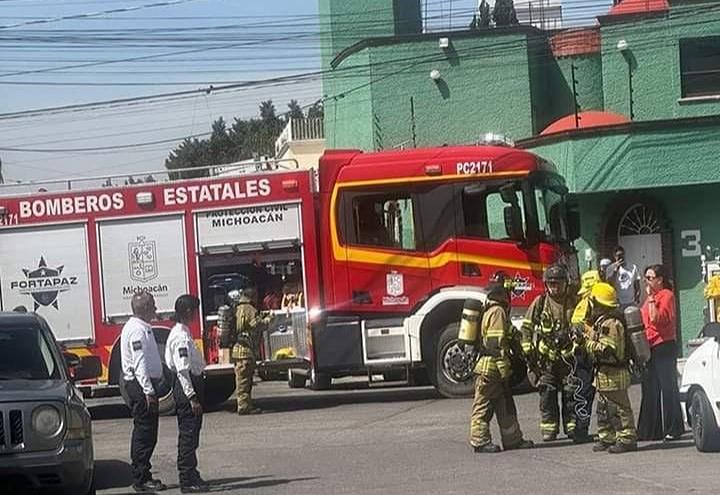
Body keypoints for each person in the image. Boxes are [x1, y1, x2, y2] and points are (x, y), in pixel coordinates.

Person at [468, 277, 535, 453]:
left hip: (494, 368)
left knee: (505, 405)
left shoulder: (493, 310)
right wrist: (504, 369)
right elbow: (495, 344)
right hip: (490, 368)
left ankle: (513, 439)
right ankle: (479, 441)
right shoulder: (497, 311)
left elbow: (510, 334)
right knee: (483, 405)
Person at [521, 264, 577, 441]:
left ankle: (572, 427)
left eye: (558, 283)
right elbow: (526, 328)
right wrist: (528, 351)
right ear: (546, 285)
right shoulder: (540, 303)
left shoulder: (573, 302)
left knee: (570, 394)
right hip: (546, 360)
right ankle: (549, 429)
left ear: (566, 283)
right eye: (551, 283)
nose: (555, 287)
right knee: (547, 395)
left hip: (569, 359)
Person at [581, 282, 638, 453]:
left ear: (598, 304)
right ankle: (607, 438)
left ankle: (627, 439)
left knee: (619, 408)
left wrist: (587, 343)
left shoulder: (611, 323)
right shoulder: (603, 321)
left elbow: (607, 350)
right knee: (603, 409)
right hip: (604, 375)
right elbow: (599, 337)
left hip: (614, 374)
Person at [119, 292, 166, 492]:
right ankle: (141, 478)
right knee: (145, 433)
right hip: (140, 387)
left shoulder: (139, 327)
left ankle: (143, 474)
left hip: (142, 385)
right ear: (145, 308)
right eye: (153, 305)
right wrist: (149, 391)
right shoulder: (137, 330)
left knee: (147, 433)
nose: (155, 309)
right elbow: (140, 365)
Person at [165, 294, 209, 493]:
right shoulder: (180, 337)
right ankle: (187, 479)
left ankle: (192, 473)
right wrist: (192, 397)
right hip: (186, 388)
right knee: (188, 436)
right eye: (195, 310)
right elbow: (183, 370)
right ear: (189, 312)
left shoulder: (183, 332)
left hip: (189, 384)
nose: (196, 314)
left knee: (193, 435)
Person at [637, 264, 684, 441]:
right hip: (649, 345)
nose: (646, 281)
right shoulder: (650, 298)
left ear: (659, 280)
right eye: (645, 278)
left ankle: (674, 427)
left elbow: (658, 319)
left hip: (663, 344)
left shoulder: (666, 296)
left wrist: (650, 298)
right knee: (649, 388)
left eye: (650, 278)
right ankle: (649, 430)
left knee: (667, 386)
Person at [568, 270, 601, 444]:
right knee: (586, 393)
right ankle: (581, 430)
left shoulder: (582, 303)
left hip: (582, 353)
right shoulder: (589, 303)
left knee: (582, 392)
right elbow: (581, 329)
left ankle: (579, 428)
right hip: (586, 354)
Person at [230, 287, 263, 415]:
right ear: (253, 296)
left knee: (243, 379)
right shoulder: (249, 309)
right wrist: (268, 320)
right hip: (245, 351)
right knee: (244, 381)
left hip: (237, 350)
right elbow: (256, 325)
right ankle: (243, 406)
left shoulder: (237, 308)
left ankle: (245, 404)